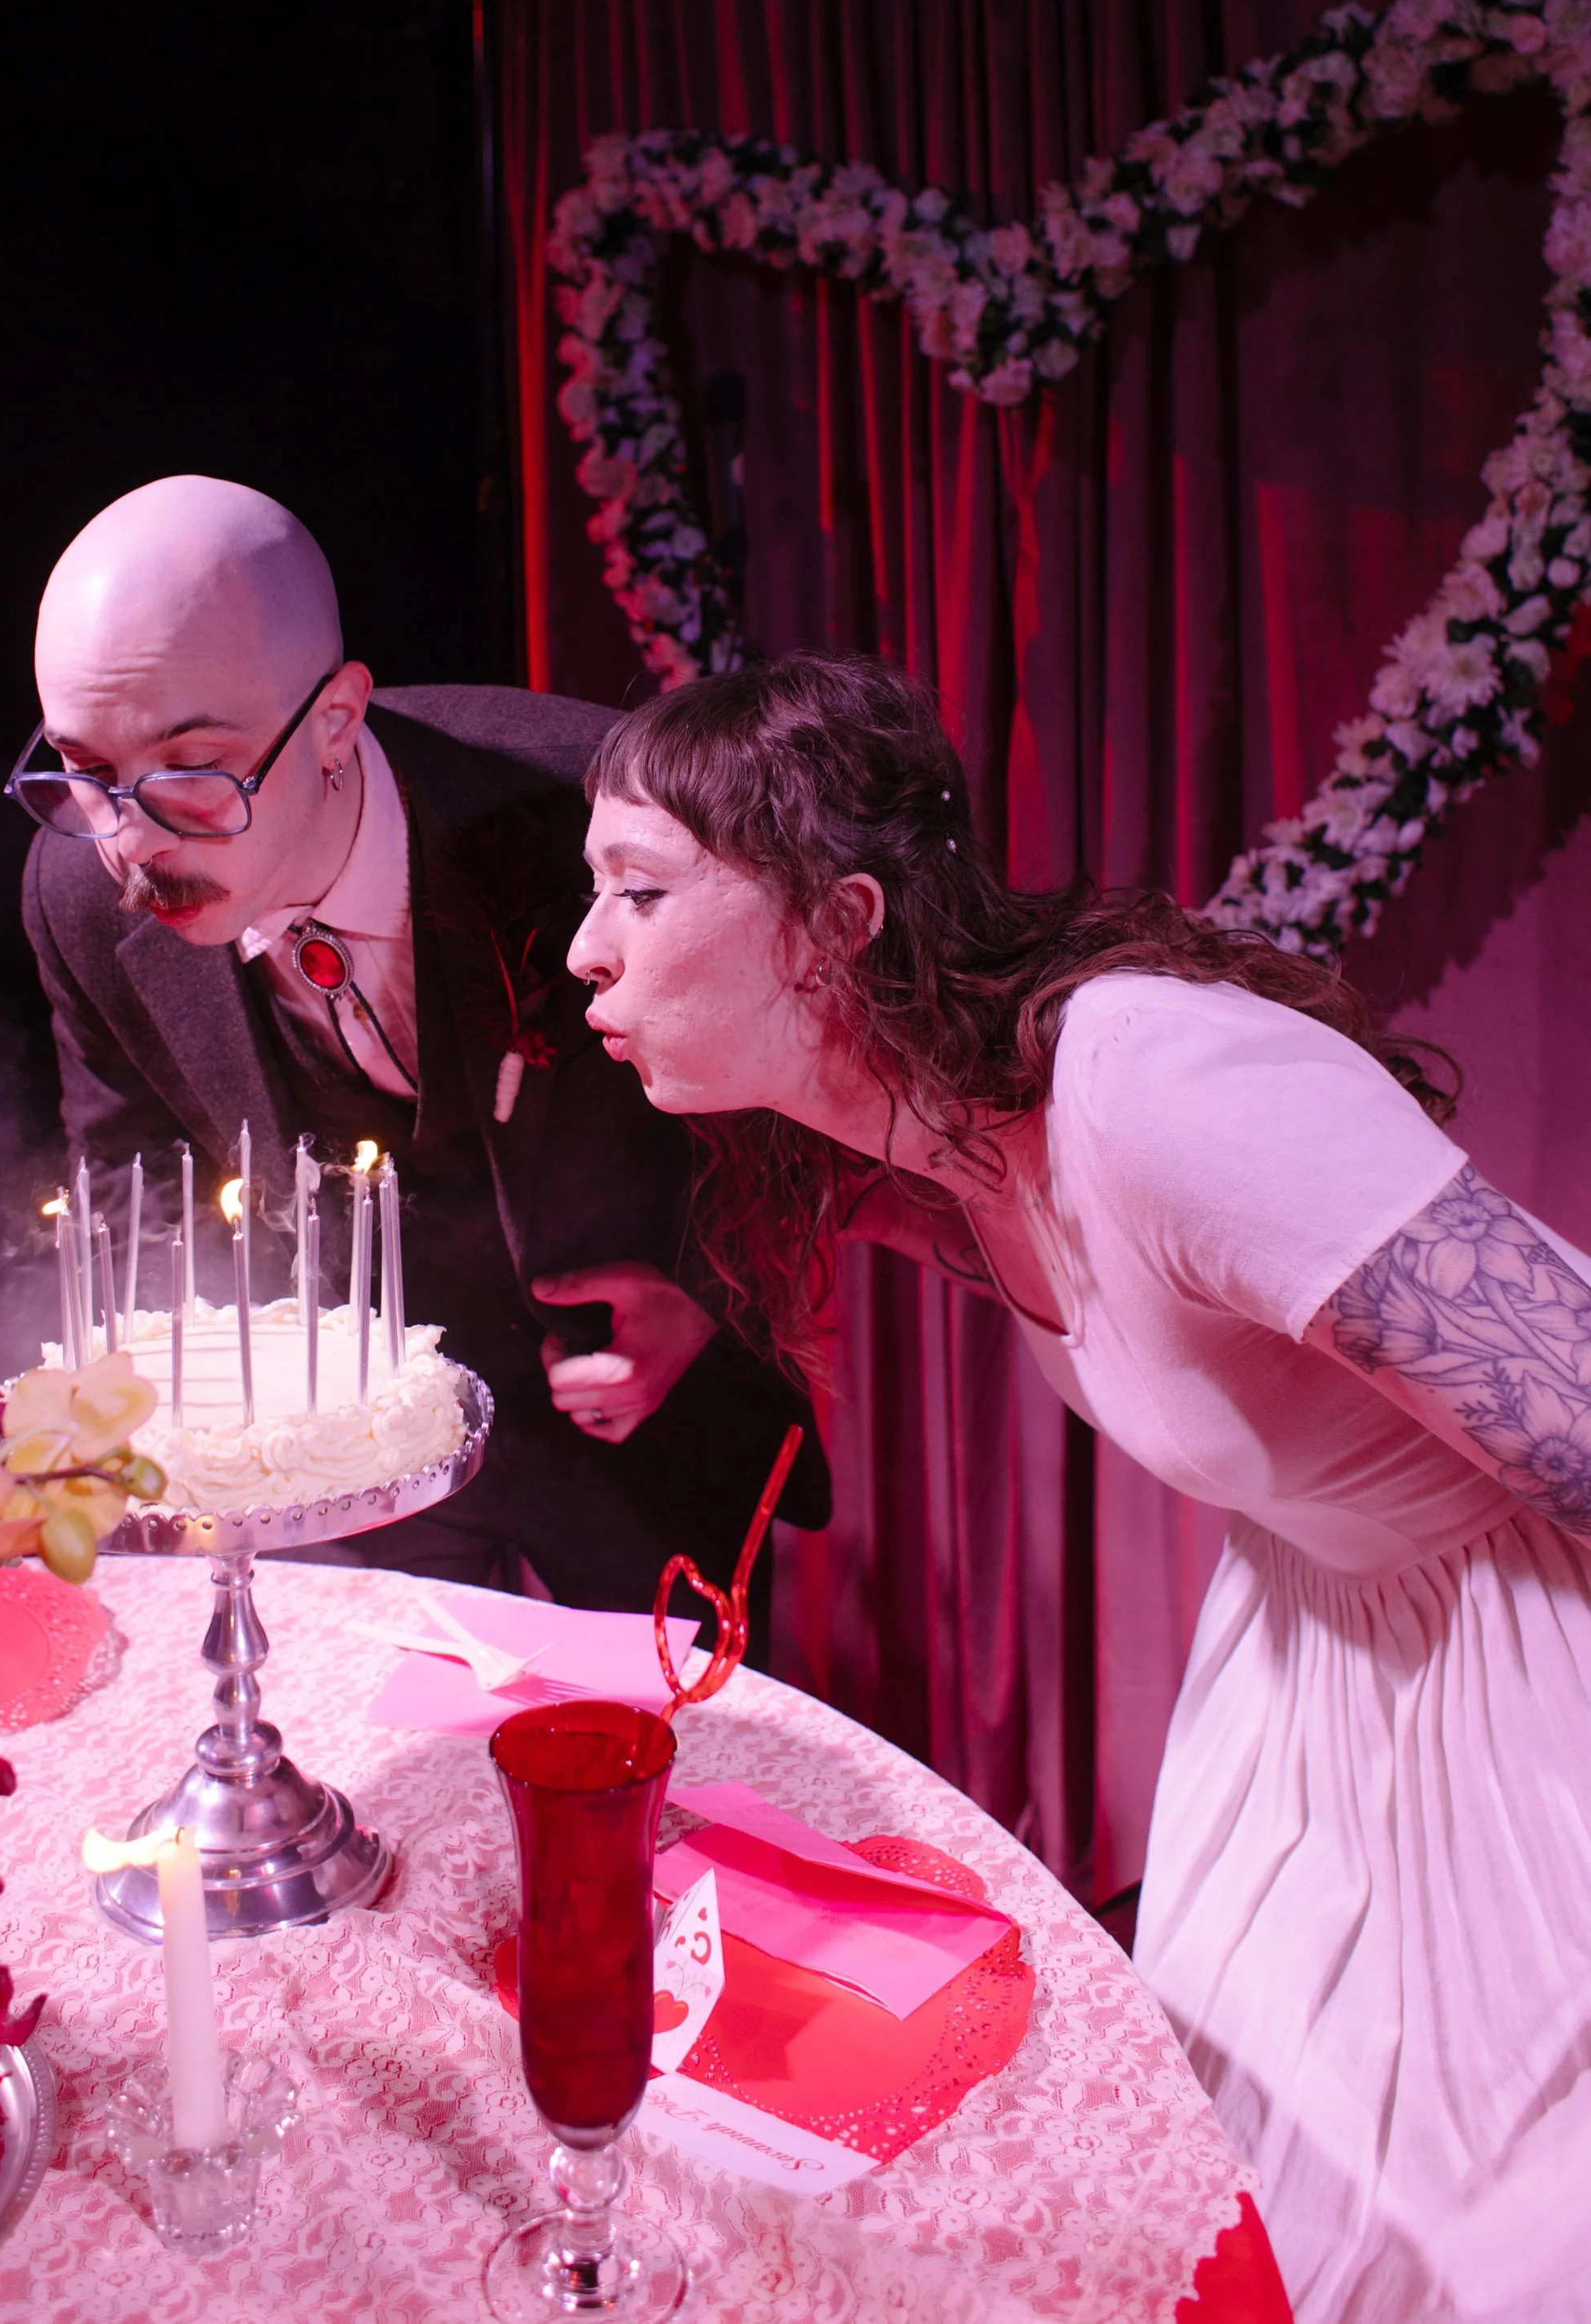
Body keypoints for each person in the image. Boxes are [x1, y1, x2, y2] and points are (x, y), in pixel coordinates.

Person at [565, 647, 1591, 2324]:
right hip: (1330, 1658)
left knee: (1484, 2253)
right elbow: (1139, 1305)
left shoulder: (1162, 1086)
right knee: (1256, 2191)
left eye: (638, 890)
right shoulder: (939, 1131)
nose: (584, 947)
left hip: (1529, 1647)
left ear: (835, 922)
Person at [12, 475, 826, 1631]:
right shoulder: (75, 896)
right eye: (87, 774)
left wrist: (708, 1306)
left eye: (192, 772)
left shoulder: (595, 810)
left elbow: (802, 1093)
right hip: (344, 1462)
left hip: (636, 1416)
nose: (128, 844)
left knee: (683, 1779)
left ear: (337, 717)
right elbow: (139, 1190)